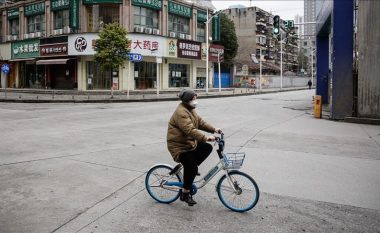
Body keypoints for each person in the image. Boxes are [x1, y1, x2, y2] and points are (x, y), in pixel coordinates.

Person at [167, 89, 221, 206]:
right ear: (187, 100)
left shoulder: (190, 109)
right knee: (191, 167)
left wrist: (214, 129)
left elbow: (200, 122)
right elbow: (190, 130)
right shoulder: (181, 112)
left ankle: (191, 170)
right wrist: (206, 137)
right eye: (194, 99)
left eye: (196, 99)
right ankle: (185, 193)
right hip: (179, 147)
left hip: (188, 144)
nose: (196, 101)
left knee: (207, 148)